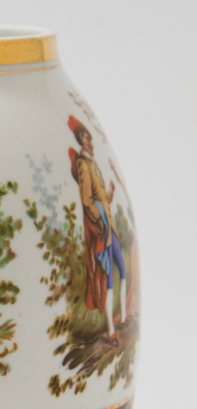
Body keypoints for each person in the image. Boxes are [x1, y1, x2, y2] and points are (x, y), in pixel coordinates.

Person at [68, 115, 126, 345]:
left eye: (90, 139)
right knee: (108, 277)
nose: (91, 142)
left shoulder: (92, 163)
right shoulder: (83, 164)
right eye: (87, 139)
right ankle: (111, 330)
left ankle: (123, 317)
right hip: (101, 225)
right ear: (81, 140)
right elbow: (87, 199)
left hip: (110, 223)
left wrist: (110, 192)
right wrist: (98, 220)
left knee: (122, 268)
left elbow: (101, 197)